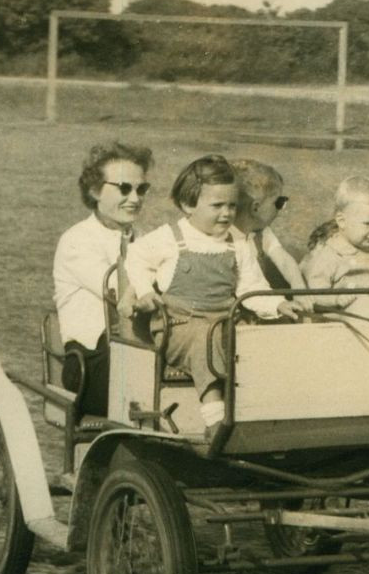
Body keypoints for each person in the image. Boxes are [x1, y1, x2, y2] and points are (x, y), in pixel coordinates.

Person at [125, 154, 307, 431]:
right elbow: (135, 258)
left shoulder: (237, 243)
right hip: (179, 325)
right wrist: (145, 291)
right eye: (217, 205)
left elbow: (252, 286)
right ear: (188, 204)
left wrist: (278, 305)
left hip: (225, 319)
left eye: (232, 206)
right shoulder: (171, 238)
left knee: (258, 337)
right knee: (204, 340)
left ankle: (264, 407)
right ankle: (214, 416)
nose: (227, 213)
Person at [52, 141, 153, 416]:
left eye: (141, 189)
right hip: (89, 363)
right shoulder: (77, 241)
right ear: (95, 190)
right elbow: (117, 290)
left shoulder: (143, 238)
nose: (134, 198)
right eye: (124, 188)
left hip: (134, 350)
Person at [301, 176, 369, 323]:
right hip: (335, 324)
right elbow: (314, 293)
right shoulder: (329, 256)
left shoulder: (368, 253)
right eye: (368, 224)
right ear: (342, 221)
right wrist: (336, 299)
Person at [229, 158, 307, 292]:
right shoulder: (227, 236)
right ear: (256, 208)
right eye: (278, 202)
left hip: (257, 296)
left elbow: (283, 260)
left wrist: (298, 287)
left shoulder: (261, 232)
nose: (282, 208)